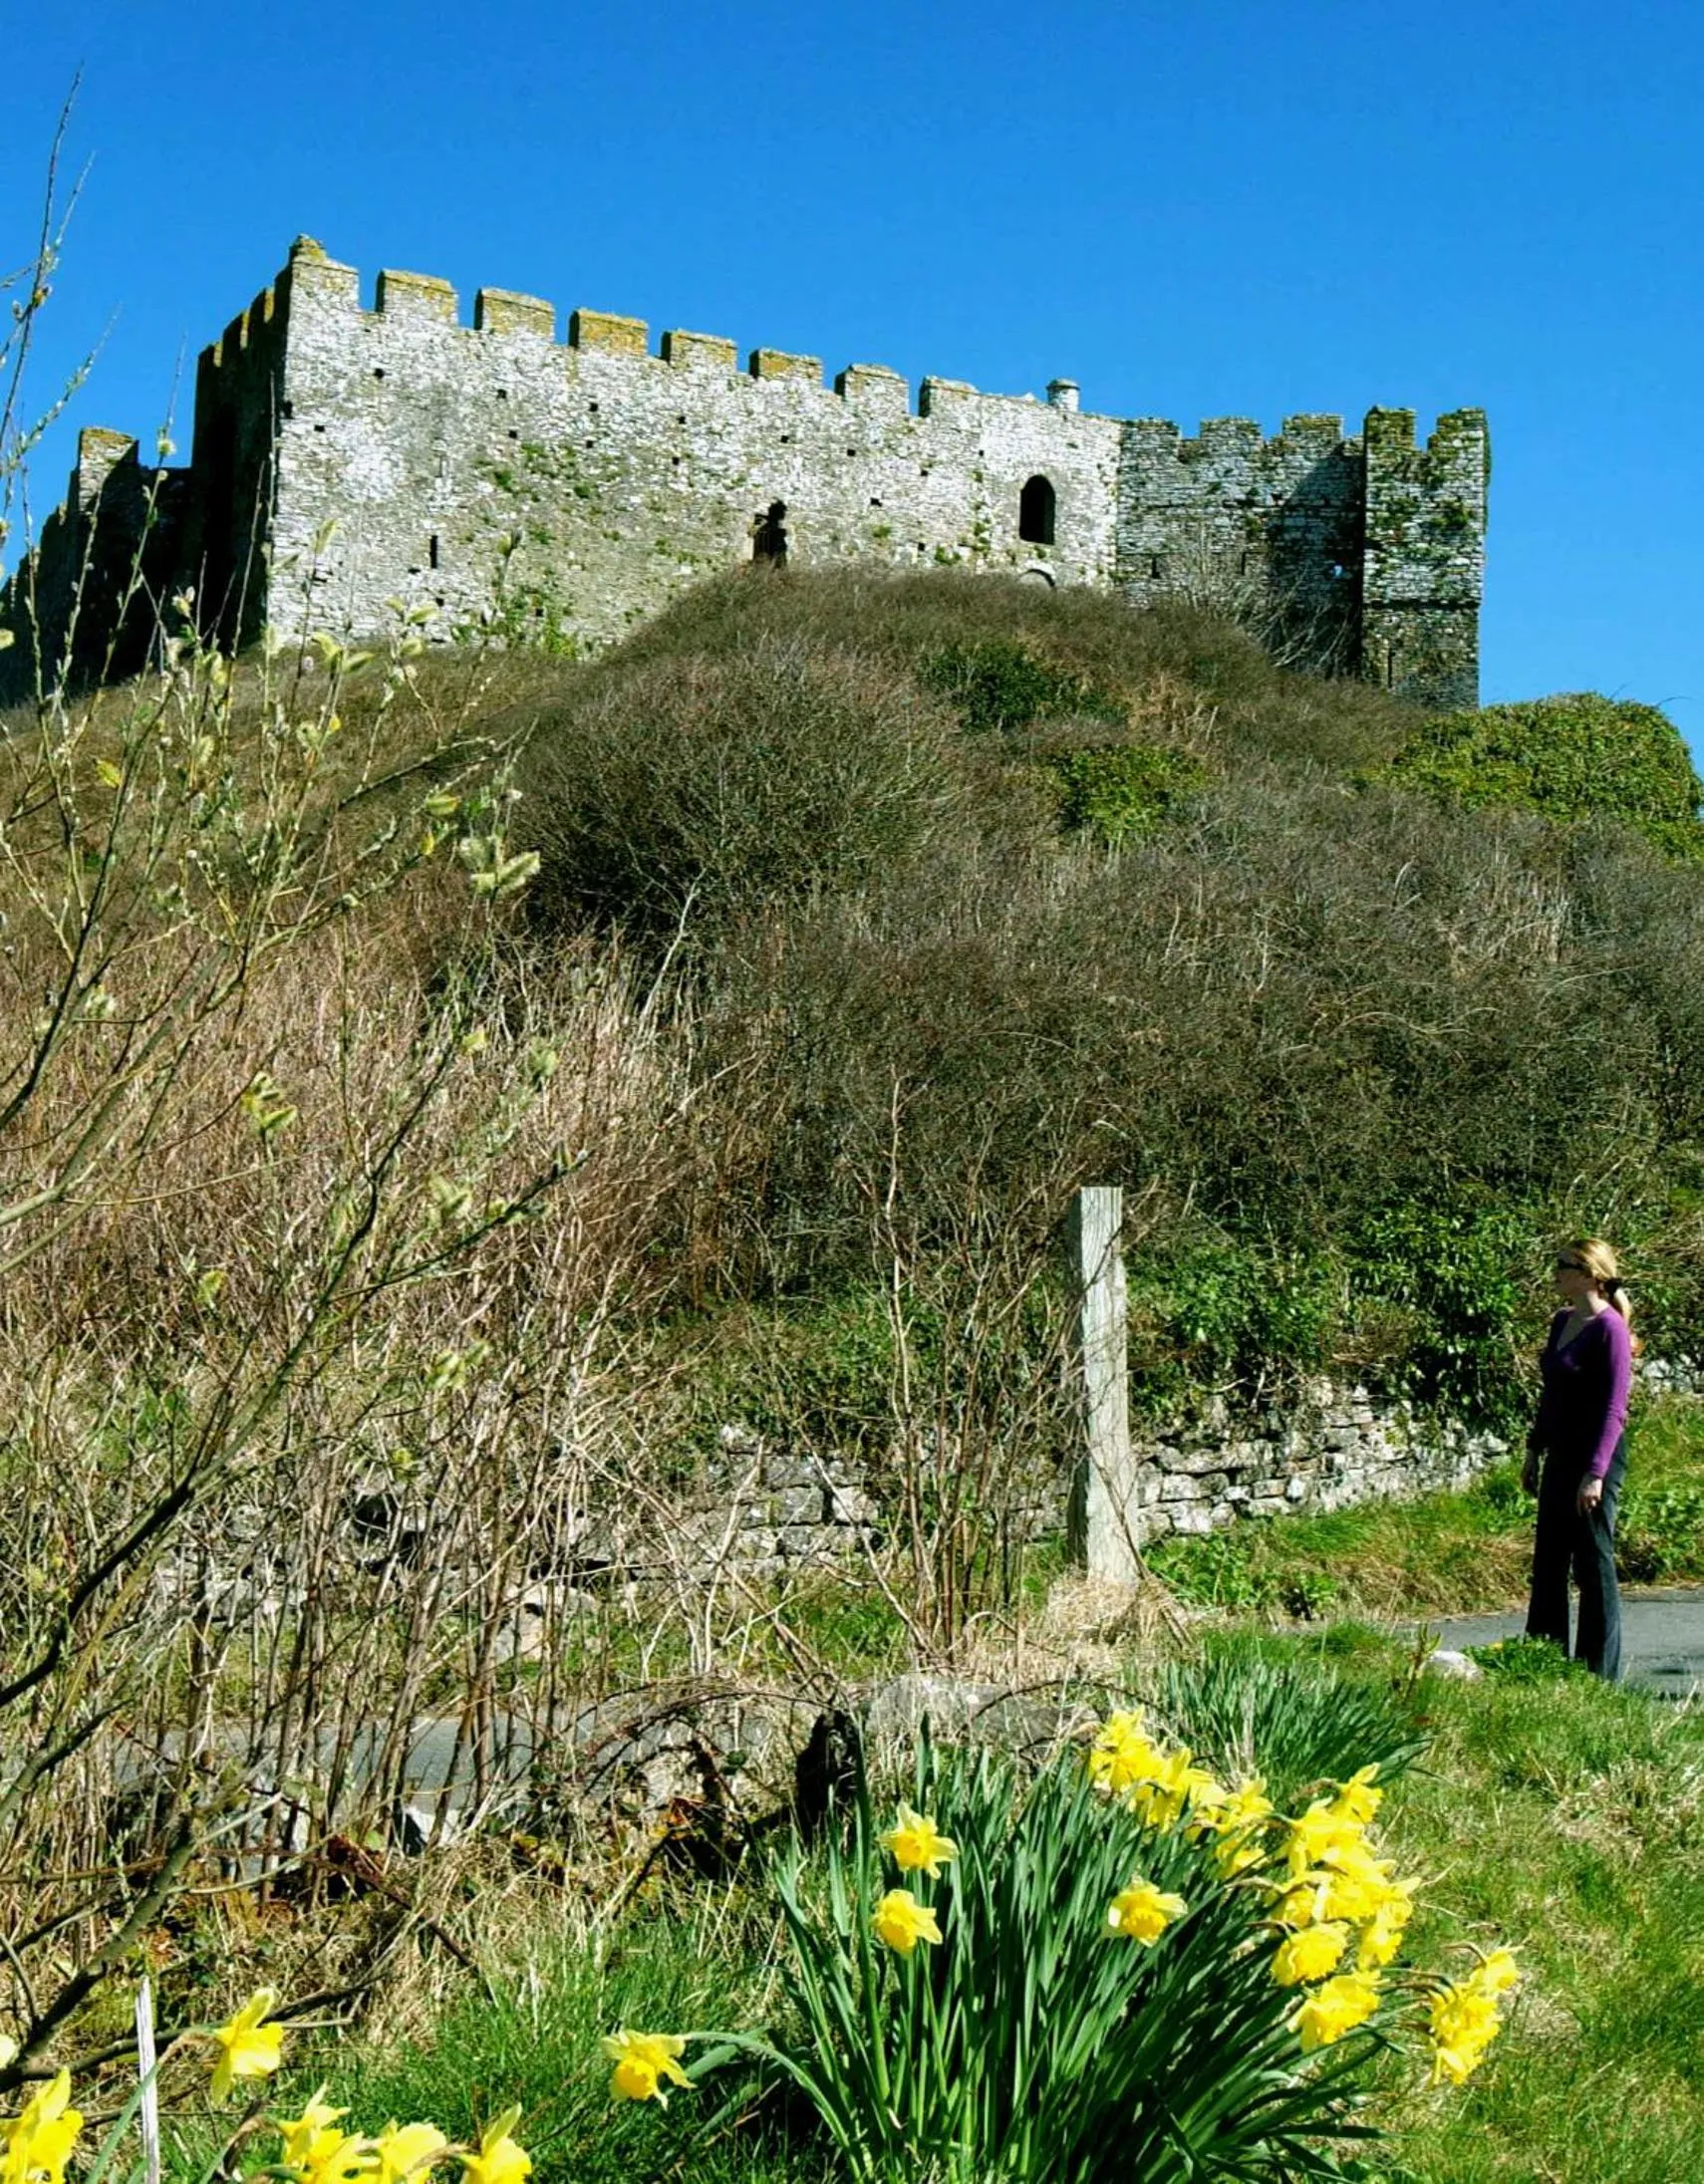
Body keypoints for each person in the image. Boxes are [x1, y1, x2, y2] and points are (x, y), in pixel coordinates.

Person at [1522, 1237, 1636, 1680]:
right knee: (1550, 1554)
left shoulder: (1611, 1330)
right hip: (1561, 1450)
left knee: (1593, 1558)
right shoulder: (1561, 1322)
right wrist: (1534, 1448)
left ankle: (1597, 1674)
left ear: (1590, 1274)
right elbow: (1552, 1395)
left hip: (1597, 1455)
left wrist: (1596, 1473)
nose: (1556, 1270)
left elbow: (1615, 1408)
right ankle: (1543, 1659)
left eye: (1564, 1264)